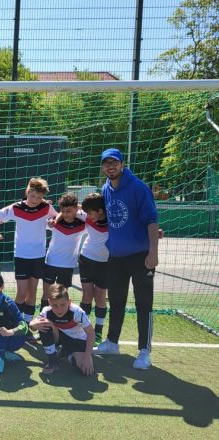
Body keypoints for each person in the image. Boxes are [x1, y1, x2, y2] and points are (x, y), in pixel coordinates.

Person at [94, 148, 159, 370]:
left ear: (122, 164)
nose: (110, 167)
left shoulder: (138, 188)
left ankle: (144, 351)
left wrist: (153, 252)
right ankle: (112, 342)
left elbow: (152, 221)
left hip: (141, 257)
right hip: (116, 257)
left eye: (114, 163)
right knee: (117, 301)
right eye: (106, 163)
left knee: (143, 304)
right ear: (103, 167)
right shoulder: (106, 188)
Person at [2, 177, 58, 339]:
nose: (35, 200)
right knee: (21, 293)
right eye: (33, 196)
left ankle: (25, 328)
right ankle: (15, 324)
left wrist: (52, 221)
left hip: (38, 256)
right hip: (21, 256)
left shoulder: (47, 207)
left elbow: (58, 217)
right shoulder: (15, 208)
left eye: (39, 197)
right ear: (27, 192)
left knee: (32, 292)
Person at [30, 284, 95, 376]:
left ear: (69, 302)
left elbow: (91, 334)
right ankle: (53, 362)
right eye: (55, 305)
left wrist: (87, 356)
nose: (59, 309)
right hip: (60, 337)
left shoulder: (77, 312)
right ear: (49, 302)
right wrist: (32, 324)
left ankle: (66, 353)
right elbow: (33, 326)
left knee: (84, 369)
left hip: (78, 341)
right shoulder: (46, 311)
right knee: (44, 325)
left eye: (63, 304)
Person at [41, 192, 86, 307]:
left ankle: (59, 321)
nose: (65, 214)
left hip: (68, 265)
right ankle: (43, 319)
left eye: (69, 211)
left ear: (76, 209)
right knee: (46, 294)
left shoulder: (83, 224)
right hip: (50, 262)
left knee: (61, 296)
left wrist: (79, 207)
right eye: (63, 211)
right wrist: (56, 218)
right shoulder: (54, 222)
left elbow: (88, 213)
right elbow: (45, 221)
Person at [78, 192, 109, 345]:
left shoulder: (114, 221)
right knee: (86, 296)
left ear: (101, 211)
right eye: (86, 213)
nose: (88, 216)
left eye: (90, 213)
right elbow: (69, 208)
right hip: (86, 259)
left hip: (105, 264)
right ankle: (84, 330)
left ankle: (98, 332)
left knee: (100, 297)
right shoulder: (87, 216)